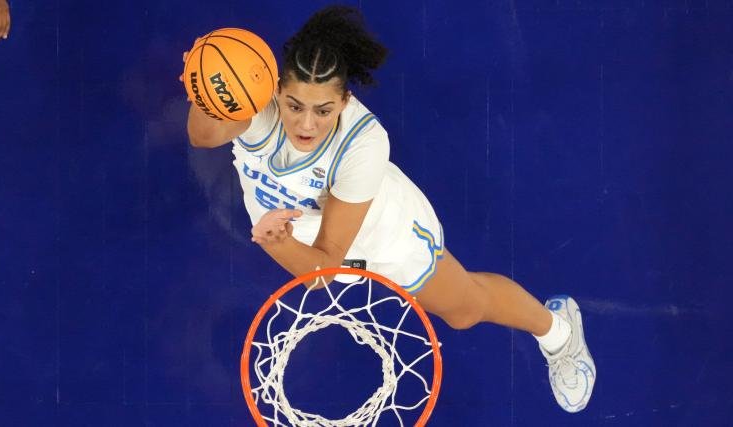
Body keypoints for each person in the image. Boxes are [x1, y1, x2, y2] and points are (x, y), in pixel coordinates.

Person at [185, 5, 596, 413]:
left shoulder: (363, 145)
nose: (306, 124)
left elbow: (324, 269)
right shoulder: (255, 105)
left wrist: (276, 242)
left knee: (465, 310)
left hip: (381, 234)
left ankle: (559, 332)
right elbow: (202, 136)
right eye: (294, 106)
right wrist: (203, 90)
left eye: (323, 110)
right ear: (276, 91)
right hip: (298, 232)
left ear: (344, 100)